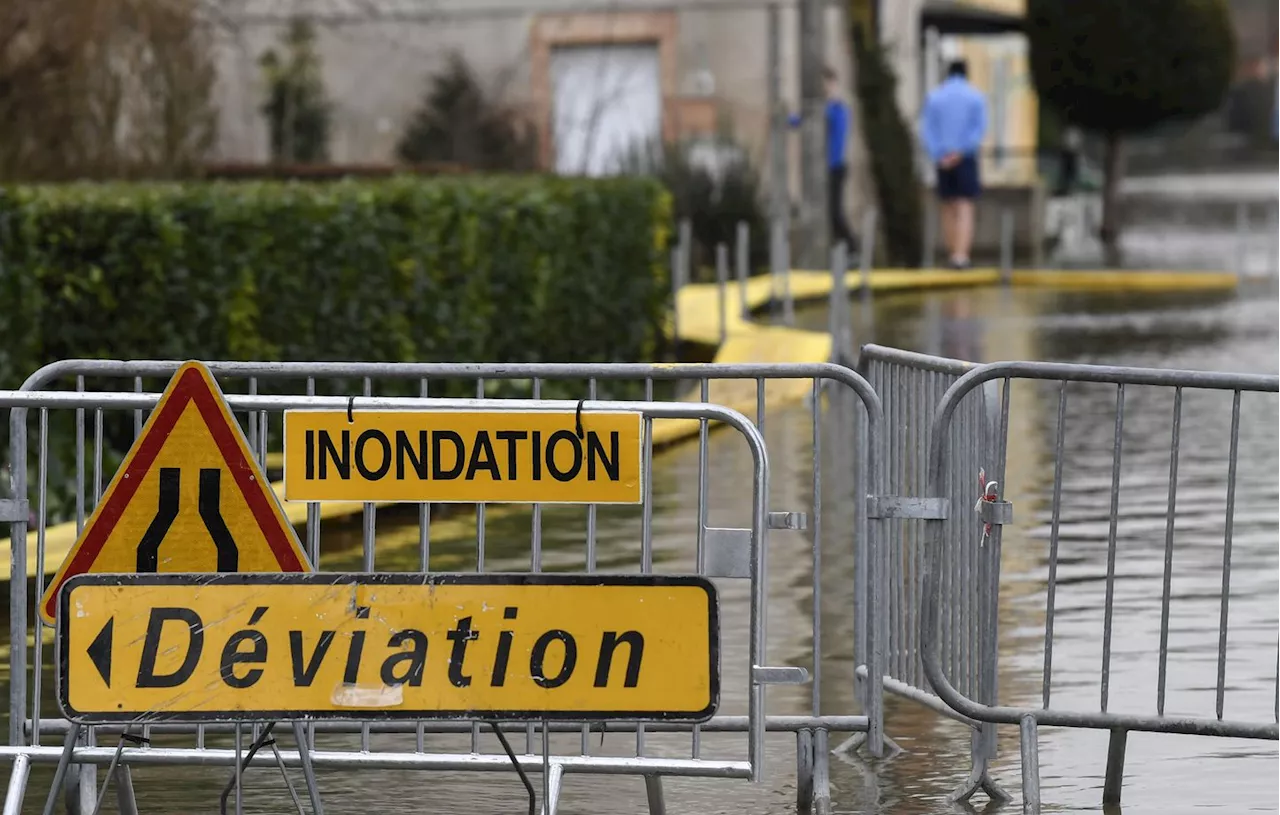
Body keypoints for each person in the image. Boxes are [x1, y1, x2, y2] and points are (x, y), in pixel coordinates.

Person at [920, 59, 988, 269]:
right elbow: (979, 130)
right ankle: (962, 256)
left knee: (947, 205)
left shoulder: (934, 97)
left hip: (942, 158)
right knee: (965, 205)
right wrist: (960, 152)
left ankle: (951, 254)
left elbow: (926, 129)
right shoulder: (976, 97)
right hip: (965, 157)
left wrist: (939, 154)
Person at [790, 66, 859, 256]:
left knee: (834, 212)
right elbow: (800, 120)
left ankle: (852, 248)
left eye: (829, 84)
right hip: (824, 168)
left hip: (835, 166)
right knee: (827, 213)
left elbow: (818, 116)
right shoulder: (826, 108)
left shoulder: (837, 109)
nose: (826, 89)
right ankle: (842, 250)